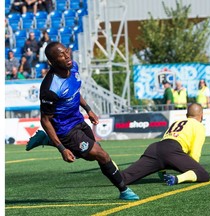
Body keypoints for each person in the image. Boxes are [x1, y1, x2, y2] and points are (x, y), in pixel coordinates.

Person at [25, 42, 139, 201]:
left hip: (78, 120)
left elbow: (75, 92)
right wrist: (61, 148)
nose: (67, 56)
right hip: (65, 129)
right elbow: (45, 120)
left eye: (66, 52)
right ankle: (124, 190)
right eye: (61, 55)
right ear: (52, 62)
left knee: (91, 155)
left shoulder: (74, 67)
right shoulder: (50, 87)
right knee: (101, 155)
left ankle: (46, 139)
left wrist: (88, 109)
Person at [120, 103, 210, 186]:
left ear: (187, 115)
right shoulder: (199, 126)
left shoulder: (176, 122)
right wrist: (193, 167)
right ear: (201, 116)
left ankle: (108, 164)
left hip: (155, 148)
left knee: (123, 178)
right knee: (203, 174)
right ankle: (175, 179)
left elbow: (166, 139)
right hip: (172, 152)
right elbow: (195, 153)